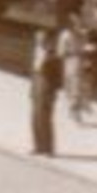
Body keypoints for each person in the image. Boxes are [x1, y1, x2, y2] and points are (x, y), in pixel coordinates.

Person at [30, 27, 64, 157]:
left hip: (47, 87)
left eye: (42, 38)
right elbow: (33, 71)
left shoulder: (53, 55)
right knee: (35, 117)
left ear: (47, 40)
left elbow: (57, 76)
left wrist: (54, 92)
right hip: (37, 85)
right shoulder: (36, 52)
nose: (39, 40)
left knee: (46, 118)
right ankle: (38, 146)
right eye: (37, 38)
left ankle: (49, 148)